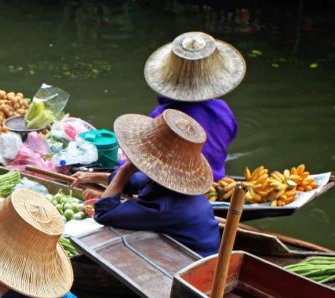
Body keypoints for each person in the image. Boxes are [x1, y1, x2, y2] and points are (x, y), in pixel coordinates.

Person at [71, 109, 220, 257]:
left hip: (192, 262)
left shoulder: (164, 208)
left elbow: (103, 213)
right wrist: (92, 177)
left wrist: (125, 169)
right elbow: (135, 181)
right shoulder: (171, 184)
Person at [142, 31, 245, 180]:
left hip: (174, 186)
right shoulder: (223, 110)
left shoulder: (161, 116)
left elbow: (144, 158)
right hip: (214, 180)